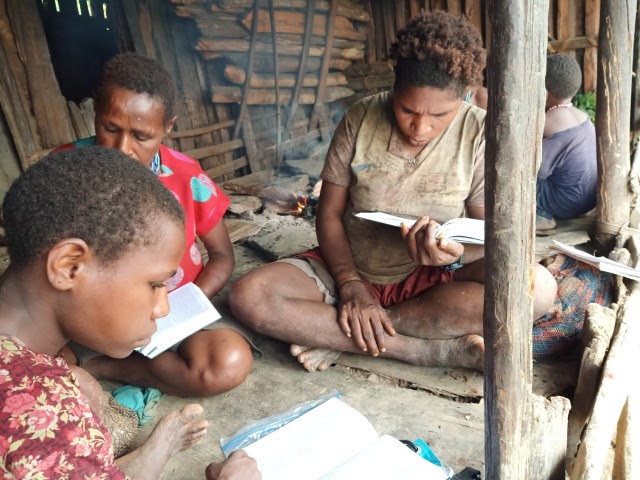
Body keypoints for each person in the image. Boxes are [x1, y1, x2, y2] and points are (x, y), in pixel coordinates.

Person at [229, 11, 557, 372]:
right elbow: (329, 213)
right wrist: (351, 284)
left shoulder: (478, 130)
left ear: (464, 96)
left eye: (440, 116)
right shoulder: (361, 117)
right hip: (347, 268)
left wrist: (455, 254)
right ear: (394, 86)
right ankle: (424, 351)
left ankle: (350, 330)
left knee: (537, 287)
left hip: (432, 286)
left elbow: (486, 232)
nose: (420, 127)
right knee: (249, 297)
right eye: (406, 109)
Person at [0, 147, 260, 479]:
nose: (162, 307)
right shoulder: (41, 417)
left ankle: (161, 443)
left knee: (82, 383)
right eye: (155, 284)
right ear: (69, 266)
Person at [56, 53, 252, 396]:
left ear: (168, 127)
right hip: (89, 321)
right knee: (40, 365)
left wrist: (181, 310)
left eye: (141, 136)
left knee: (228, 361)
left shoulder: (188, 177)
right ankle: (96, 359)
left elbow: (222, 257)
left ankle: (105, 366)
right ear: (95, 113)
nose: (122, 149)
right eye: (110, 128)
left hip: (167, 317)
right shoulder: (64, 170)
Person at [536, 54, 597, 231]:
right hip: (589, 200)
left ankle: (542, 217)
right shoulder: (582, 116)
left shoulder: (549, 122)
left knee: (518, 181)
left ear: (545, 93)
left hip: (567, 202)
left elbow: (537, 172)